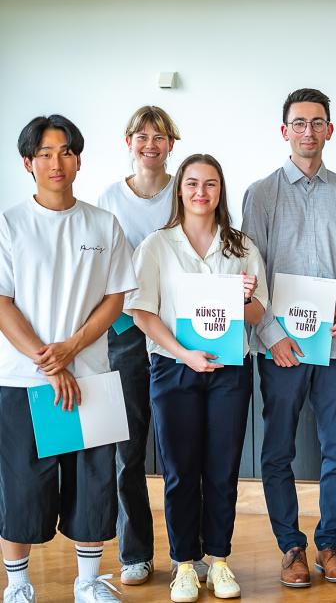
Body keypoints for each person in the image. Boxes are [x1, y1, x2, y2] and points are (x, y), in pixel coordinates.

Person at [0, 115, 137, 603]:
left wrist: (71, 350)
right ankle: (17, 586)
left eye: (65, 151)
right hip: (24, 381)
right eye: (44, 154)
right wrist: (49, 361)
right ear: (28, 163)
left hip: (92, 378)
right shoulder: (10, 224)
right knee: (21, 488)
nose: (56, 162)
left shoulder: (103, 223)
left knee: (93, 487)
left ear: (78, 159)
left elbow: (115, 298)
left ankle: (87, 583)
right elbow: (2, 302)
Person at [127, 153, 268, 602]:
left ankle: (220, 561)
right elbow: (142, 313)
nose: (201, 193)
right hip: (173, 368)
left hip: (229, 369)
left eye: (210, 184)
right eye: (192, 184)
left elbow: (258, 312)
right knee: (180, 470)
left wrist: (244, 298)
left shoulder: (242, 247)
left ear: (220, 191)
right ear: (180, 190)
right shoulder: (157, 246)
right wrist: (183, 353)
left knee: (223, 469)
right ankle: (185, 564)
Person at [242, 88, 336, 587]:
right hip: (283, 348)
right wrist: (271, 336)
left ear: (329, 130)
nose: (308, 131)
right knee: (278, 450)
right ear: (284, 130)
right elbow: (252, 269)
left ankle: (329, 544)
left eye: (317, 123)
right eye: (299, 123)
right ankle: (291, 546)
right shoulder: (261, 193)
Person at [96, 105, 192, 587]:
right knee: (127, 450)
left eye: (159, 136)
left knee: (181, 451)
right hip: (125, 336)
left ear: (171, 143)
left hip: (179, 332)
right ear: (128, 141)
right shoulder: (109, 198)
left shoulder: (185, 190)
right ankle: (135, 553)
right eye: (141, 135)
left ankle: (186, 554)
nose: (150, 143)